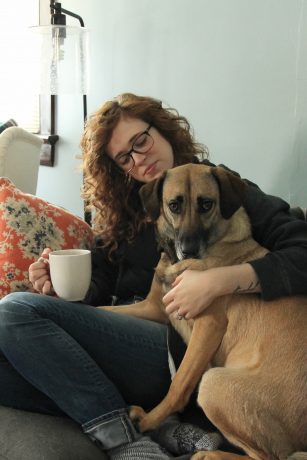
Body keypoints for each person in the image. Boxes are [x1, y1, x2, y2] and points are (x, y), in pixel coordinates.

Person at [0, 93, 306, 460]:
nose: (139, 158)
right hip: (128, 333)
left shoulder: (221, 185)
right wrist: (54, 289)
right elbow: (101, 289)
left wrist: (220, 280)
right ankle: (158, 429)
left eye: (140, 141)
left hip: (168, 350)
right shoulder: (128, 213)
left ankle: (127, 441)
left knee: (13, 310)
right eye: (124, 158)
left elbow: (301, 250)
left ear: (163, 131)